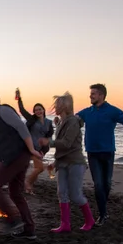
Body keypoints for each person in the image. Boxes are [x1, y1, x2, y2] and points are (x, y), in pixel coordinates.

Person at [77, 84, 123, 226]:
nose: (90, 96)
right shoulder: (87, 112)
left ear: (101, 95)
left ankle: (104, 209)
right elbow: (73, 120)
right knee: (98, 184)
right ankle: (103, 214)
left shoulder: (112, 111)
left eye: (93, 94)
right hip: (92, 153)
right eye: (90, 93)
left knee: (107, 184)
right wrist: (60, 121)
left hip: (108, 152)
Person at [0, 93, 43, 239]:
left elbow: (22, 128)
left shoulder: (3, 110)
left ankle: (13, 219)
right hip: (16, 157)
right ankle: (29, 230)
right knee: (15, 193)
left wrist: (32, 150)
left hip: (16, 157)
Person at [39, 92, 94, 232]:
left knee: (75, 195)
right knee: (61, 193)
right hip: (62, 163)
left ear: (65, 106)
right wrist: (55, 163)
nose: (55, 107)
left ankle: (90, 220)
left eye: (58, 104)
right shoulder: (61, 122)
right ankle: (65, 225)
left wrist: (48, 142)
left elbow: (67, 143)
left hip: (75, 162)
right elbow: (62, 150)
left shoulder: (73, 122)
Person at [16, 89, 54, 194]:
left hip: (40, 149)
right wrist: (19, 98)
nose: (38, 111)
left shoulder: (49, 123)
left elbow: (49, 139)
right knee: (40, 168)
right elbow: (22, 110)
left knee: (38, 169)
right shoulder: (32, 119)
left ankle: (28, 187)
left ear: (43, 110)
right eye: (36, 110)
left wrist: (43, 151)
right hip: (29, 148)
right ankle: (27, 182)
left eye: (39, 109)